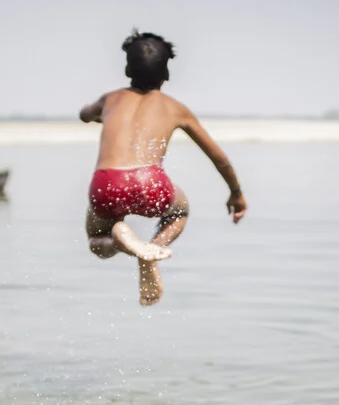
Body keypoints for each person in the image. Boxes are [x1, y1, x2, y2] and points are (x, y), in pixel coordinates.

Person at [79, 30, 247, 305]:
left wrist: (95, 113)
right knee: (180, 210)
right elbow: (219, 158)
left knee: (97, 239)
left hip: (107, 184)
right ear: (166, 74)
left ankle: (122, 242)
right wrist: (236, 193)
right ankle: (152, 251)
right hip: (151, 183)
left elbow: (85, 115)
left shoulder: (110, 99)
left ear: (126, 69)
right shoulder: (176, 108)